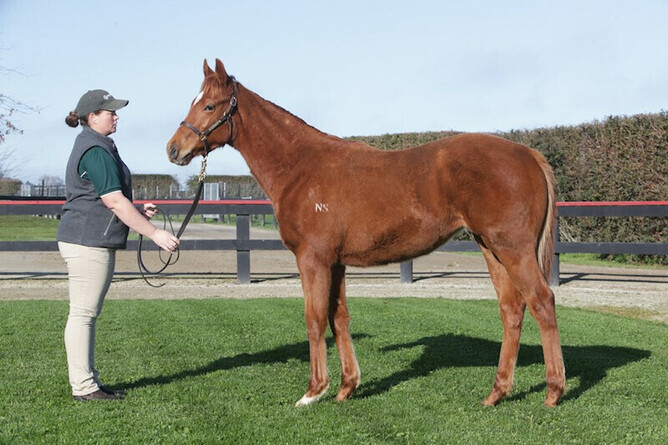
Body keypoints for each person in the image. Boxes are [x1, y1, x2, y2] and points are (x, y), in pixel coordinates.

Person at [58, 89, 179, 401]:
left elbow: (108, 199)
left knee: (86, 313)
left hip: (87, 238)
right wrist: (154, 233)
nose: (116, 116)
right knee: (83, 313)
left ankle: (88, 382)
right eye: (110, 111)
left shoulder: (96, 145)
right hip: (88, 241)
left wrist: (136, 212)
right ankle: (84, 387)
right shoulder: (95, 150)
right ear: (92, 116)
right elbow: (113, 201)